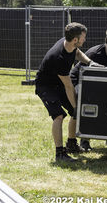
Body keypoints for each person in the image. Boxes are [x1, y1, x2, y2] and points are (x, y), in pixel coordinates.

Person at [35, 22, 98, 162]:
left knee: (75, 111)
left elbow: (77, 53)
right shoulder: (59, 58)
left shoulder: (70, 44)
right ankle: (59, 154)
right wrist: (75, 106)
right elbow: (69, 86)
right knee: (59, 116)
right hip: (45, 86)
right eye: (83, 37)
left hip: (57, 84)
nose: (85, 40)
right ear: (75, 40)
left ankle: (71, 144)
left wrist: (90, 63)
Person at [70, 26, 107, 152]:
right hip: (80, 81)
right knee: (88, 102)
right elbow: (82, 75)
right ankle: (85, 139)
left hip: (100, 85)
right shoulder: (94, 54)